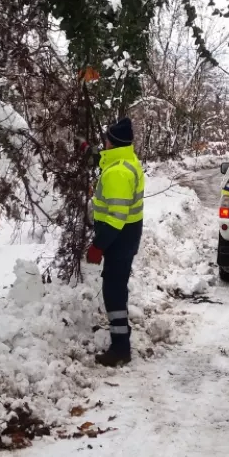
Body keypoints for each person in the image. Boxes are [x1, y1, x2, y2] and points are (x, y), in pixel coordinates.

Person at [85, 117, 146, 367]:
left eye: (106, 139)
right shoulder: (126, 160)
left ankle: (121, 347)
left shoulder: (118, 173)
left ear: (112, 142)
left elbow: (115, 219)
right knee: (116, 288)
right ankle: (122, 337)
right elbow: (104, 159)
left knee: (113, 291)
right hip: (127, 238)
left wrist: (98, 246)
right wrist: (87, 151)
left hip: (118, 240)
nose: (104, 143)